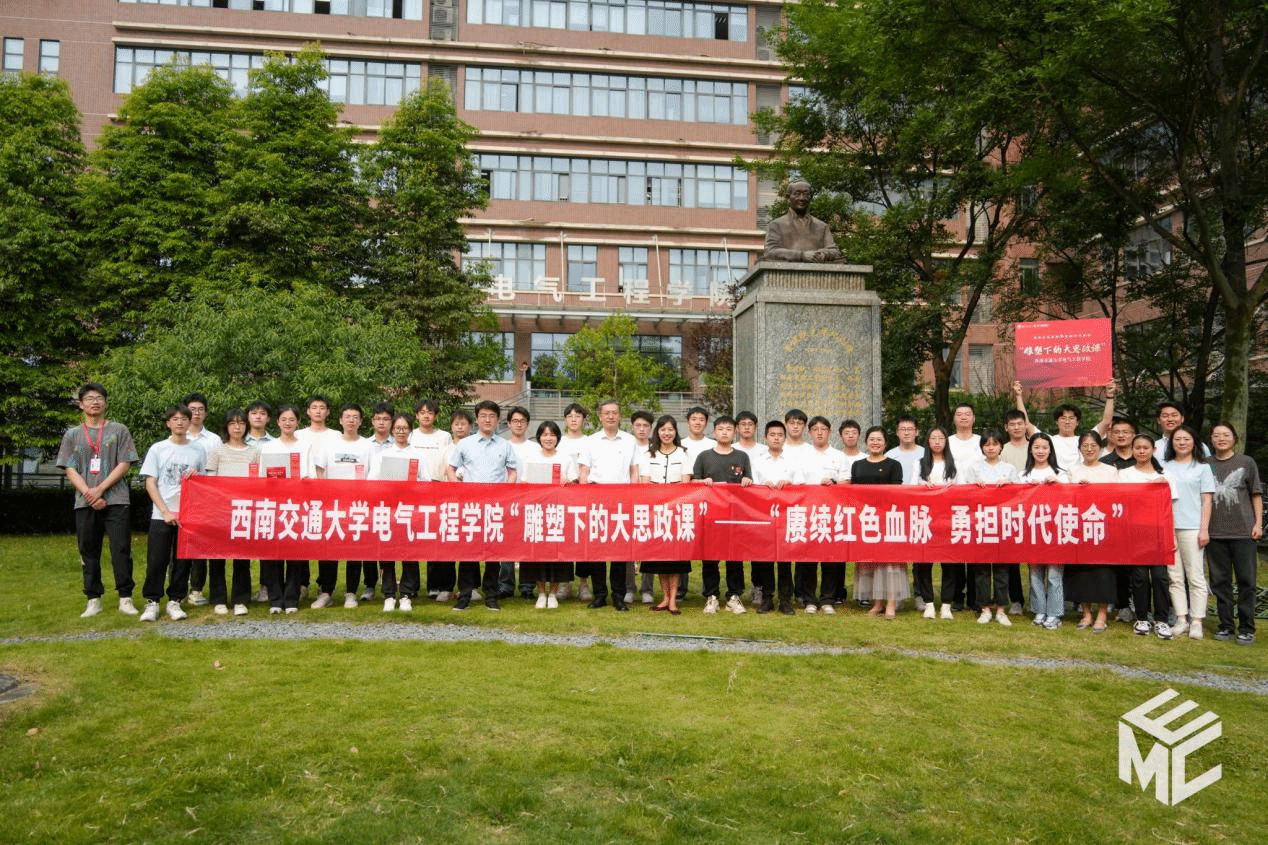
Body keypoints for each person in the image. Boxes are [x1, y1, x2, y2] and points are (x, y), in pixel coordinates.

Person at [57, 382, 140, 619]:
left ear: (105, 402)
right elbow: (69, 468)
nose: (95, 402)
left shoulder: (119, 430)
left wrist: (101, 489)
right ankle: (93, 599)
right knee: (88, 550)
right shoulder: (72, 435)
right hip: (85, 501)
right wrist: (89, 493)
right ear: (81, 404)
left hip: (117, 499)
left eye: (99, 398)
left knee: (121, 549)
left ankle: (125, 598)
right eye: (89, 398)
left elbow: (125, 462)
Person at [138, 404, 207, 622]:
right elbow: (150, 482)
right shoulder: (158, 449)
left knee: (182, 560)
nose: (180, 422)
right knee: (157, 559)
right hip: (162, 514)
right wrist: (165, 511)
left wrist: (197, 477)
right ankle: (152, 602)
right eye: (175, 419)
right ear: (168, 423)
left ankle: (175, 600)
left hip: (187, 514)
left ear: (189, 422)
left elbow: (204, 482)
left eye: (184, 419)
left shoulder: (198, 450)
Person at [447, 400, 518, 611]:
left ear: (498, 420)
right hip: (470, 506)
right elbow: (450, 468)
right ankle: (465, 595)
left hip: (495, 507)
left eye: (492, 416)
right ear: (477, 419)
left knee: (493, 554)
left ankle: (491, 595)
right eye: (483, 416)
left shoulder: (505, 445)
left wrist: (507, 490)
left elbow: (512, 471)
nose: (487, 420)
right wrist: (458, 489)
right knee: (468, 553)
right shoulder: (465, 444)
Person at [579, 398, 640, 610]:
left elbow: (634, 470)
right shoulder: (591, 441)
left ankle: (618, 595)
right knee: (597, 550)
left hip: (622, 501)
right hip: (596, 500)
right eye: (607, 413)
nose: (611, 416)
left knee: (619, 551)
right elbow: (584, 471)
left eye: (614, 412)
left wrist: (633, 496)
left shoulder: (629, 440)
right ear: (600, 416)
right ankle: (599, 595)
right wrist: (585, 496)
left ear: (620, 416)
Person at [1206, 422, 1261, 645]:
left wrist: (1258, 524)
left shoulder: (1246, 462)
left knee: (1247, 581)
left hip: (1243, 532)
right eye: (1216, 435)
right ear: (1211, 439)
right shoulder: (1205, 464)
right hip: (1215, 533)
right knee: (1220, 582)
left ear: (1234, 438)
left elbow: (1256, 494)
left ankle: (1247, 627)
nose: (1221, 439)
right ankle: (1226, 625)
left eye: (1226, 435)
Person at [203, 408, 261, 617]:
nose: (237, 427)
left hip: (244, 509)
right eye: (232, 423)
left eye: (241, 423)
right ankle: (218, 599)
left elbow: (258, 482)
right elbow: (210, 481)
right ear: (226, 427)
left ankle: (240, 599)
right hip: (220, 509)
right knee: (217, 557)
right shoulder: (217, 451)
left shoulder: (254, 451)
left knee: (241, 557)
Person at [692, 415, 753, 613]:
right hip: (710, 515)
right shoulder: (704, 456)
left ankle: (734, 596)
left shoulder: (742, 456)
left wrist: (747, 481)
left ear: (734, 432)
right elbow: (693, 482)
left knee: (734, 557)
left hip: (734, 515)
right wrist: (702, 482)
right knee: (710, 558)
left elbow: (749, 481)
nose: (725, 432)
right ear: (714, 432)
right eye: (721, 429)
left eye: (728, 429)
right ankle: (711, 596)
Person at [959, 430, 1021, 621]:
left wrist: (1010, 484)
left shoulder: (1009, 469)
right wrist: (974, 486)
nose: (991, 448)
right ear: (982, 448)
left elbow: (1019, 495)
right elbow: (964, 494)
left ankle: (1001, 609)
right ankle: (984, 608)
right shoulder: (974, 468)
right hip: (981, 523)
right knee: (981, 569)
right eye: (987, 444)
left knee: (1002, 568)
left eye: (994, 444)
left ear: (1001, 446)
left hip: (1002, 523)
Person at [1118, 434, 1175, 639]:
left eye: (1145, 448)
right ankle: (1142, 618)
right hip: (1135, 532)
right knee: (1139, 577)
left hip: (1159, 533)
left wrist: (1172, 537)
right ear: (1132, 450)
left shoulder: (1165, 475)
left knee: (1160, 577)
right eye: (1138, 448)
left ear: (1154, 450)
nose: (1141, 451)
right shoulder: (1124, 474)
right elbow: (1120, 501)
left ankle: (1162, 620)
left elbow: (1172, 509)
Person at [1161, 425, 1215, 640]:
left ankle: (1197, 620)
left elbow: (1207, 501)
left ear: (1194, 442)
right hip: (1168, 527)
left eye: (1186, 439)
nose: (1182, 443)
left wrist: (1204, 530)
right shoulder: (1164, 467)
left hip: (1193, 527)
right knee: (1174, 576)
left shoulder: (1202, 468)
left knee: (1195, 576)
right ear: (1171, 443)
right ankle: (1181, 618)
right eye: (1177, 439)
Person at [258, 404, 312, 613]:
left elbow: (310, 476)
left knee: (295, 554)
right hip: (273, 506)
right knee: (274, 554)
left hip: (297, 505)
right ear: (277, 422)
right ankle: (275, 599)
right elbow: (262, 477)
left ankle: (291, 599)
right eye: (283, 419)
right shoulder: (269, 447)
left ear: (297, 422)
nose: (287, 423)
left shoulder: (305, 447)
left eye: (291, 420)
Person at [370, 413, 426, 612]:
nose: (401, 432)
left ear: (410, 430)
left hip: (410, 511)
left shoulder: (418, 455)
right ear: (392, 430)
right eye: (398, 428)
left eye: (405, 428)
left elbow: (426, 483)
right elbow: (372, 482)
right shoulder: (382, 456)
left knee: (409, 554)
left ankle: (406, 594)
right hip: (387, 510)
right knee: (387, 553)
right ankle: (388, 594)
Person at [520, 420, 579, 608]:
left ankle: (553, 593)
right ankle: (541, 592)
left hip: (559, 512)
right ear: (539, 437)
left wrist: (567, 482)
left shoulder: (566, 458)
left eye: (552, 435)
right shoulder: (530, 458)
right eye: (545, 435)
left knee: (557, 554)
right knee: (537, 554)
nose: (548, 438)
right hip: (537, 512)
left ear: (558, 437)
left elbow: (575, 485)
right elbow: (524, 484)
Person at [1065, 431, 1119, 632]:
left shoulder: (1110, 471)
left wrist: (1094, 491)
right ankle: (1086, 613)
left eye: (1093, 446)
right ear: (1079, 448)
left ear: (1100, 448)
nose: (1089, 449)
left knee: (1103, 571)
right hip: (1078, 528)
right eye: (1085, 446)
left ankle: (1102, 614)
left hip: (1103, 528)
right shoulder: (1072, 470)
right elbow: (1064, 498)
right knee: (1081, 572)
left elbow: (1117, 498)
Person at [638, 414, 692, 615]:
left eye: (670, 429)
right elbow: (644, 483)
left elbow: (686, 484)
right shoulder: (648, 455)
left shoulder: (683, 454)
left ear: (675, 432)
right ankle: (665, 598)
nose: (666, 433)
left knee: (676, 559)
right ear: (657, 432)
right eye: (663, 430)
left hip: (677, 512)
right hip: (656, 512)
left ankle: (674, 600)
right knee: (660, 558)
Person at [851, 426, 907, 618]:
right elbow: (853, 492)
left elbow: (896, 492)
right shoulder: (857, 465)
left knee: (890, 562)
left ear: (885, 443)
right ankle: (877, 603)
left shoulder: (894, 465)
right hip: (866, 519)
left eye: (879, 439)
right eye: (872, 439)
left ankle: (891, 603)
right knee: (872, 561)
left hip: (888, 518)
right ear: (866, 442)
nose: (875, 443)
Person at [750, 420, 801, 615]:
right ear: (765, 437)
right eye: (772, 435)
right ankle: (767, 598)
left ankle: (786, 599)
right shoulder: (757, 461)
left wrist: (789, 483)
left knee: (785, 560)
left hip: (787, 516)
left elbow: (801, 487)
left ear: (784, 438)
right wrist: (762, 486)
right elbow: (751, 488)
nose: (776, 438)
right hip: (764, 516)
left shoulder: (793, 461)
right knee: (765, 559)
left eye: (780, 435)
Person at [910, 427, 959, 620]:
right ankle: (928, 603)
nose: (937, 442)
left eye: (941, 438)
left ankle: (946, 604)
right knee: (924, 562)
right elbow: (911, 488)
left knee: (949, 563)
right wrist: (923, 487)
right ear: (927, 441)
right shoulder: (920, 464)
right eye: (933, 438)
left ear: (946, 441)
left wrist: (954, 488)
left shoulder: (954, 464)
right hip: (925, 519)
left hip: (948, 519)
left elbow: (963, 490)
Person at [1020, 432, 1068, 629]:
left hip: (1055, 529)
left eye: (1044, 448)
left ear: (1050, 450)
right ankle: (1039, 610)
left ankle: (1054, 613)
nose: (1040, 451)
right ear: (1030, 450)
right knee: (1035, 573)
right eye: (1037, 447)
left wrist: (1057, 485)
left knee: (1055, 574)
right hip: (1031, 529)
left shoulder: (1061, 474)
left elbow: (1070, 499)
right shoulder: (1023, 475)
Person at [801, 415, 848, 612]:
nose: (819, 433)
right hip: (808, 512)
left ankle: (828, 599)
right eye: (815, 429)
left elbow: (847, 481)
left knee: (831, 558)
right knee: (808, 559)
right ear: (809, 433)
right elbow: (796, 483)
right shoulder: (802, 456)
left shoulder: (839, 456)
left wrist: (834, 483)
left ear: (830, 433)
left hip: (832, 513)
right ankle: (809, 600)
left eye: (823, 429)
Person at [182, 392, 222, 608]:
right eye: (192, 410)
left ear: (206, 413)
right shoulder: (178, 434)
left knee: (201, 545)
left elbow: (217, 469)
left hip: (206, 499)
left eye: (200, 410)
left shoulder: (214, 439)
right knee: (179, 545)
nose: (196, 413)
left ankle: (197, 589)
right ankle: (178, 589)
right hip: (180, 498)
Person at [762, 180, 843, 263]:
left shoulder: (822, 226)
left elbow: (834, 251)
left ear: (810, 197)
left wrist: (821, 254)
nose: (802, 198)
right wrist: (801, 255)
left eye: (806, 194)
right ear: (788, 197)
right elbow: (770, 252)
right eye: (797, 194)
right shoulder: (776, 224)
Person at [559, 402, 592, 602]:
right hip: (563, 498)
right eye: (570, 416)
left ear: (584, 420)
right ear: (565, 420)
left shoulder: (590, 442)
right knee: (564, 540)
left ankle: (583, 583)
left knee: (583, 541)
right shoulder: (559, 441)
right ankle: (564, 583)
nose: (574, 420)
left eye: (578, 416)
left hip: (584, 497)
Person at [503, 405, 534, 600]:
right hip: (507, 498)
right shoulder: (502, 446)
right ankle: (505, 585)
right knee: (506, 543)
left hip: (530, 499)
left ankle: (527, 585)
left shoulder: (535, 447)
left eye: (522, 421)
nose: (519, 424)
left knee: (528, 541)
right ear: (508, 424)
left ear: (528, 424)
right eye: (515, 421)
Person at [630, 409, 657, 603]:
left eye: (645, 426)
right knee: (629, 546)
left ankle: (647, 589)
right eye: (638, 425)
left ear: (651, 428)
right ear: (632, 427)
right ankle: (629, 588)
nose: (641, 429)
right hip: (629, 501)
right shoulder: (626, 445)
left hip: (651, 502)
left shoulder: (656, 448)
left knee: (649, 546)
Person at [885, 416, 924, 484]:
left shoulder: (925, 453)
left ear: (917, 432)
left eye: (910, 429)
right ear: (897, 432)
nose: (906, 433)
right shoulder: (889, 456)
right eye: (903, 429)